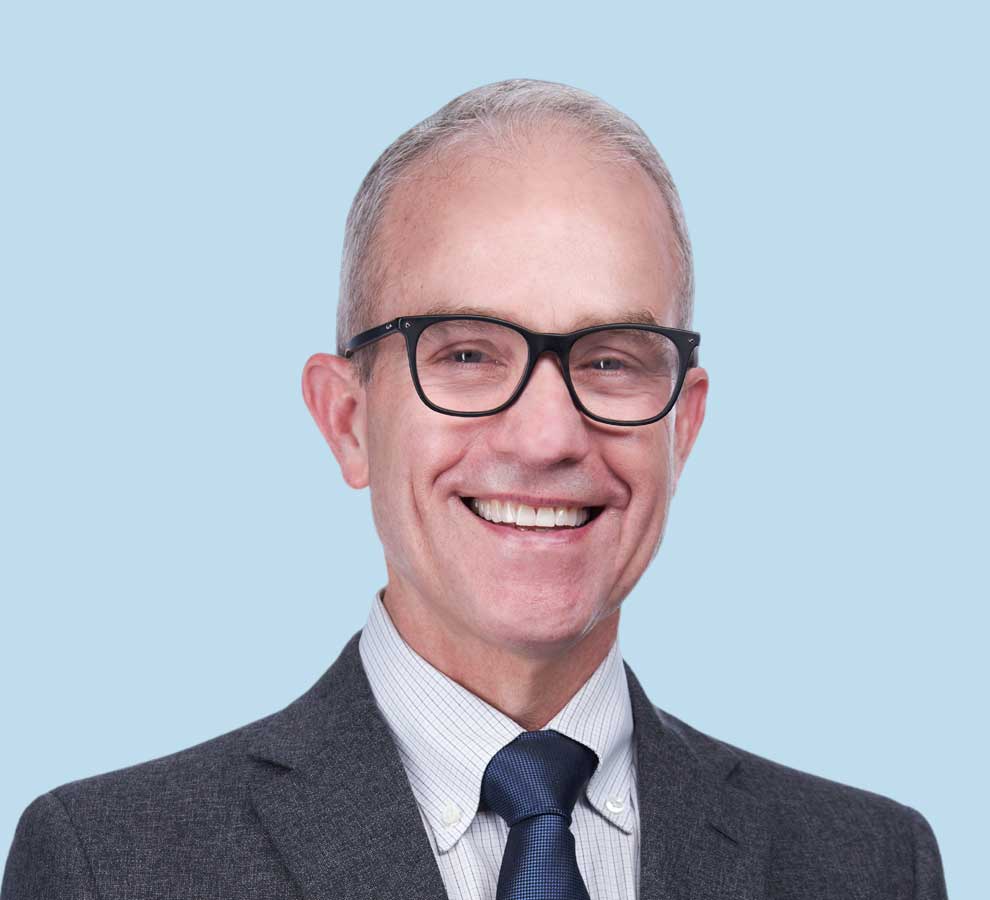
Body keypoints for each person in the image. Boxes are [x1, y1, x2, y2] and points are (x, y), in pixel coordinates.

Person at [1, 78, 947, 900]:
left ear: (682, 425)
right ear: (347, 420)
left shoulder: (870, 867)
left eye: (611, 360)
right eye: (464, 353)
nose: (547, 436)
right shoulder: (111, 868)